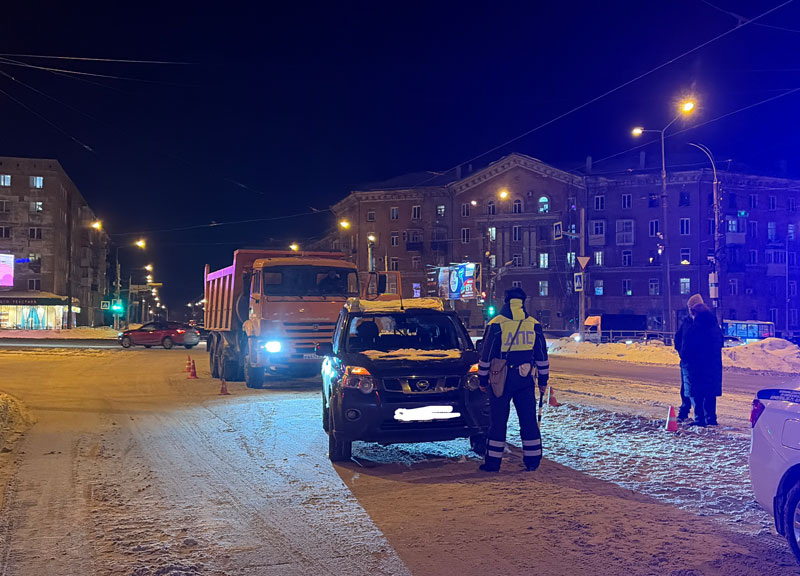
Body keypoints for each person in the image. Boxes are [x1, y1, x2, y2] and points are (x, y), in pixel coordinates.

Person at [477, 288, 549, 472]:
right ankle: (533, 461)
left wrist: (483, 380)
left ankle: (493, 463)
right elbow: (541, 355)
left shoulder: (496, 324)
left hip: (500, 379)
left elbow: (486, 356)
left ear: (506, 302)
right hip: (525, 379)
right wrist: (542, 380)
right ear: (523, 302)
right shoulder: (533, 324)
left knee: (498, 422)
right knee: (528, 421)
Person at [679, 294, 723, 427]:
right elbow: (720, 342)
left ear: (693, 310)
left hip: (695, 365)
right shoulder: (713, 323)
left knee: (695, 392)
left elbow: (686, 345)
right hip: (712, 364)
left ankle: (700, 420)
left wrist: (684, 355)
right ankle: (711, 419)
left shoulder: (694, 326)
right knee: (709, 391)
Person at [673, 298, 696, 422]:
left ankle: (701, 415)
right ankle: (684, 411)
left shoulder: (700, 322)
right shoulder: (687, 322)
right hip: (686, 361)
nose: (690, 310)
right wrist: (681, 352)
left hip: (696, 362)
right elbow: (678, 338)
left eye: (691, 307)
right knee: (685, 387)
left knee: (695, 389)